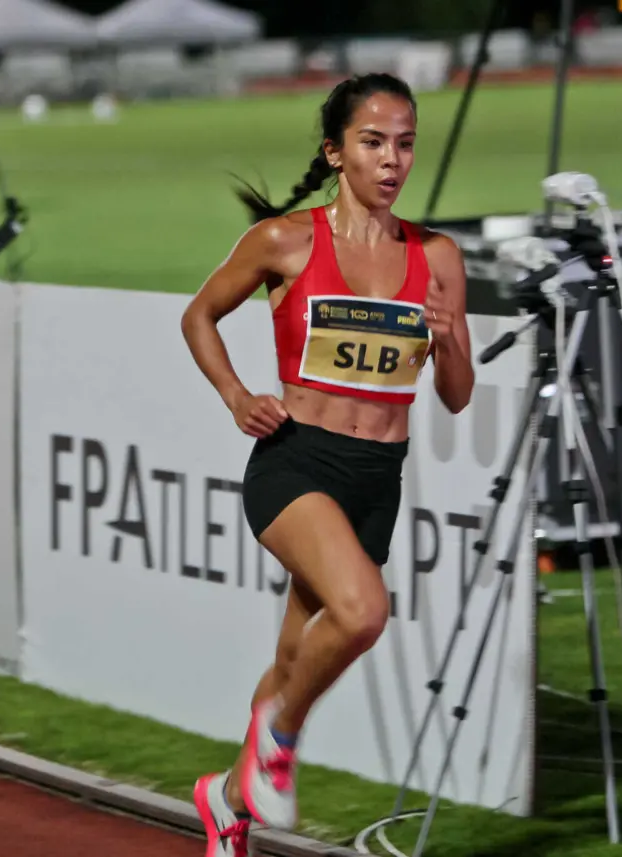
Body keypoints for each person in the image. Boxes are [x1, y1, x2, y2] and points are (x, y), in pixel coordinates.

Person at [180, 73, 474, 855]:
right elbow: (199, 315)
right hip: (296, 464)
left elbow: (456, 394)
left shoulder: (437, 255)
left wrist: (447, 338)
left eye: (405, 144)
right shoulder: (287, 241)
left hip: (378, 477)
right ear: (335, 152)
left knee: (292, 656)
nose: (392, 160)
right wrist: (237, 395)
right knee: (363, 611)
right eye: (374, 142)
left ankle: (224, 805)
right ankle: (274, 744)